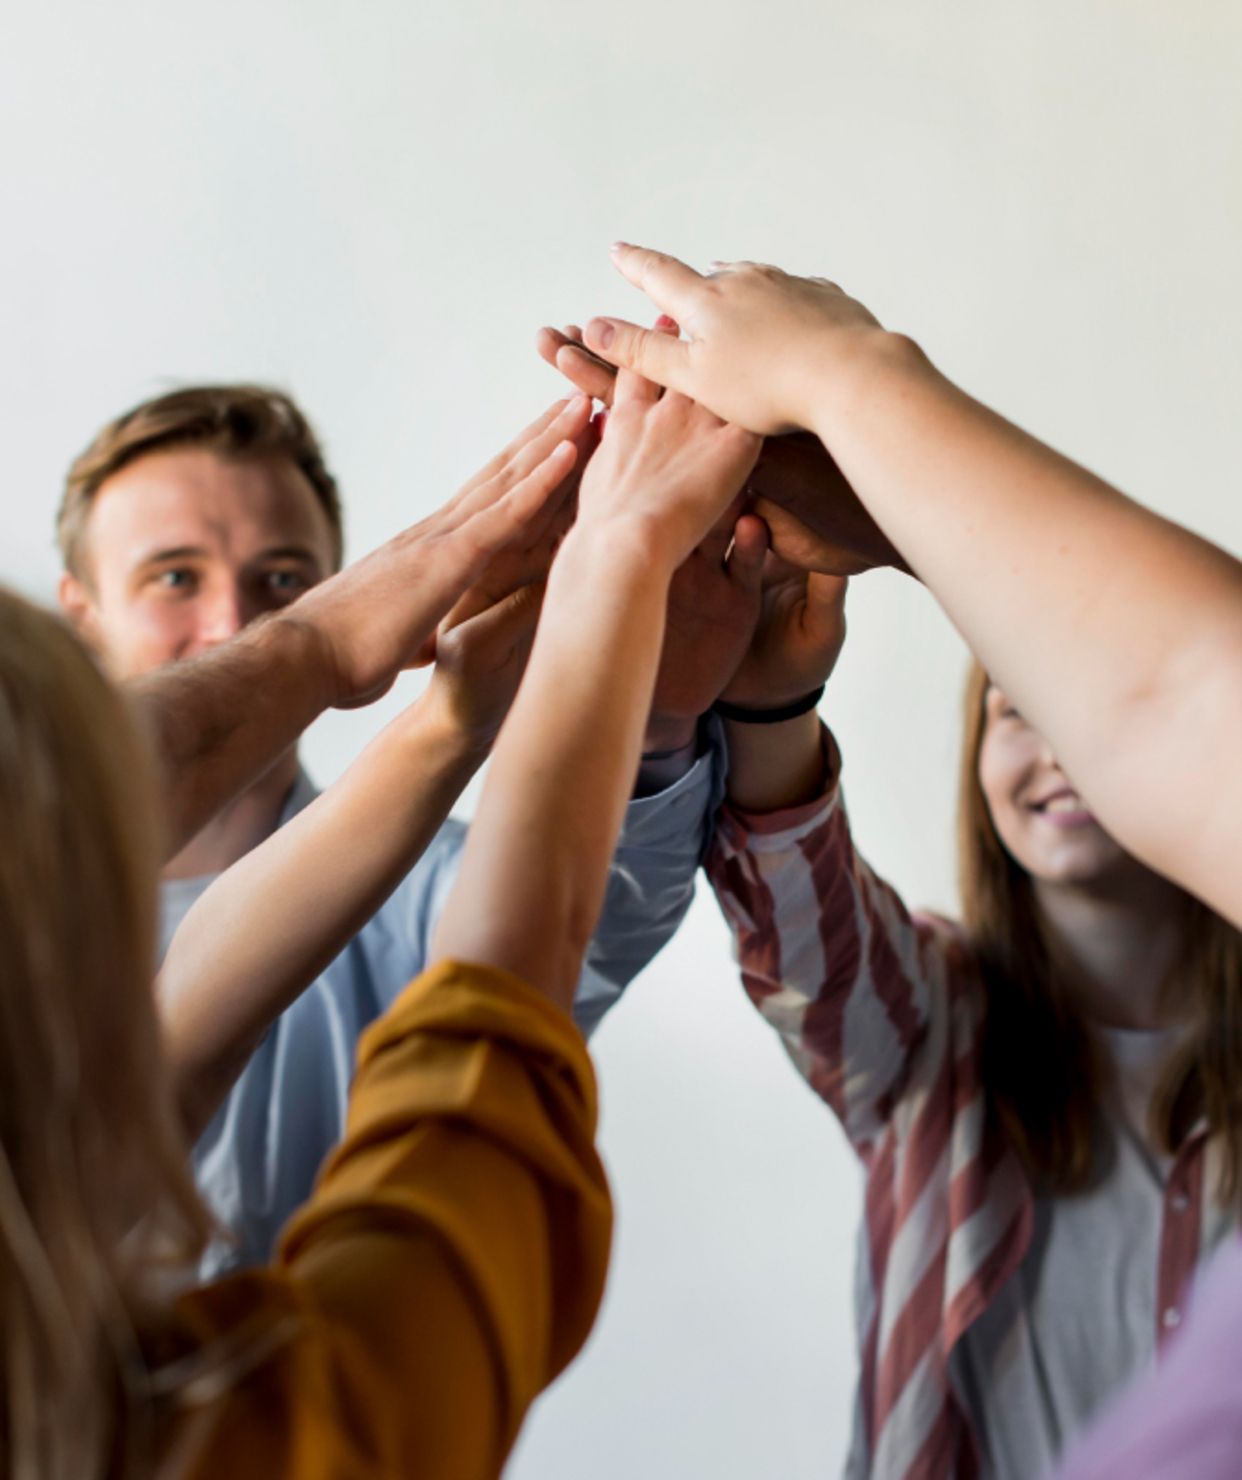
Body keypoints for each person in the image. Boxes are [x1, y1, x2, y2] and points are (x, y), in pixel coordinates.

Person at [569, 141, 1242, 1476]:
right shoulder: (947, 1025)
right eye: (1012, 706)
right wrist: (853, 420)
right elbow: (1173, 696)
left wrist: (849, 381)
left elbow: (1190, 696)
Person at [0, 364, 763, 1479]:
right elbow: (491, 1029)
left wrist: (424, 703)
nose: (234, 618)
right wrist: (613, 568)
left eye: (281, 579)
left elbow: (156, 1069)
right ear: (85, 617)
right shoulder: (300, 1425)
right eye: (174, 576)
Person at [700, 565, 1242, 1479]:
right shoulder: (928, 1022)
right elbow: (799, 914)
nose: (1059, 750)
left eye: (1101, 706)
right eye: (1017, 710)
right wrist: (773, 704)